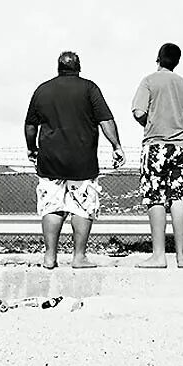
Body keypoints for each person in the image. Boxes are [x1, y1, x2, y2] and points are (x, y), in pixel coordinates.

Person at [24, 51, 124, 269]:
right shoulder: (89, 88)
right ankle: (79, 257)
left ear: (58, 67)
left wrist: (32, 148)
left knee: (52, 207)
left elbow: (30, 125)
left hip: (50, 159)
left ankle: (50, 256)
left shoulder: (43, 90)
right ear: (79, 68)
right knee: (82, 207)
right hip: (82, 160)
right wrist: (116, 146)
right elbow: (105, 120)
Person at [131, 43, 183, 269]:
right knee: (179, 198)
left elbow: (139, 112)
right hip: (182, 146)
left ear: (158, 58)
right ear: (177, 62)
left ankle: (159, 255)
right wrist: (179, 124)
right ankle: (182, 256)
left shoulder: (149, 81)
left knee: (155, 197)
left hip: (156, 145)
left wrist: (151, 122)